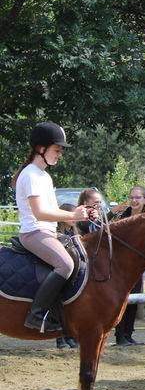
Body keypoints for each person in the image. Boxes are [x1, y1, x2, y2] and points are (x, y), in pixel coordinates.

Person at [12, 122, 95, 333]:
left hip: (47, 231)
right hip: (33, 233)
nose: (60, 154)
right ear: (41, 148)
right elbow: (39, 213)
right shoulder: (30, 175)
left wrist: (81, 215)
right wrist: (71, 214)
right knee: (65, 265)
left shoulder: (44, 176)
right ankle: (36, 315)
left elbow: (52, 211)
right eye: (57, 149)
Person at [109, 186, 145, 346]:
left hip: (138, 266)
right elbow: (105, 228)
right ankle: (120, 335)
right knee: (122, 301)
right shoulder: (123, 215)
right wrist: (112, 212)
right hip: (121, 265)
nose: (134, 201)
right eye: (132, 197)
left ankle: (128, 334)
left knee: (135, 300)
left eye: (138, 198)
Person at [55, 204, 80, 349]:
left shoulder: (74, 232)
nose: (73, 218)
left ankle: (70, 336)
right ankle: (60, 338)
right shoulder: (57, 232)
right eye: (71, 214)